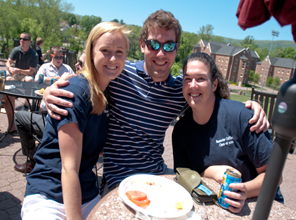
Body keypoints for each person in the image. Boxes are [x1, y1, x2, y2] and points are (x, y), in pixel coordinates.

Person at [41, 10, 268, 195]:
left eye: (168, 46)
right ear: (142, 45)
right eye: (153, 45)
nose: (161, 53)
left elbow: (212, 98)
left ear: (177, 49)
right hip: (119, 180)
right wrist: (49, 91)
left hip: (158, 175)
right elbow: (88, 81)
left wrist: (251, 107)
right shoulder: (118, 74)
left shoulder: (181, 90)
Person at [21, 21, 130, 220]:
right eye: (105, 50)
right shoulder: (76, 91)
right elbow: (68, 168)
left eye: (120, 52)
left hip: (86, 192)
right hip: (49, 194)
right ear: (91, 52)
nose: (113, 58)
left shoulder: (110, 92)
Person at [172, 52, 283, 214]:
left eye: (201, 79)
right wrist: (210, 171)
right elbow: (184, 176)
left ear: (214, 84)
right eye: (187, 79)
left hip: (261, 205)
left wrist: (245, 190)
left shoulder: (244, 117)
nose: (193, 85)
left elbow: (275, 175)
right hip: (215, 207)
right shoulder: (181, 131)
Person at [3, 33, 38, 132]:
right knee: (9, 80)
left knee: (29, 80)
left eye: (25, 39)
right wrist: (10, 67)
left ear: (29, 42)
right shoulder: (16, 50)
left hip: (25, 73)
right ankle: (11, 98)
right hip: (17, 73)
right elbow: (8, 61)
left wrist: (20, 71)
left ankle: (26, 103)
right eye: (20, 38)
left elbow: (31, 71)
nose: (22, 40)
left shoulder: (33, 54)